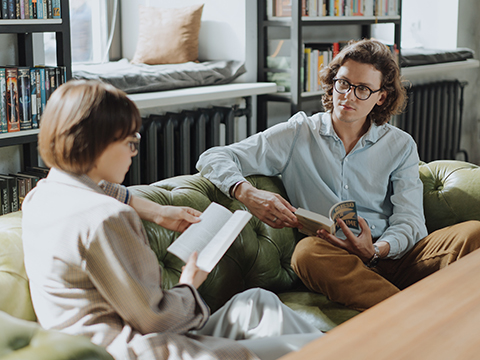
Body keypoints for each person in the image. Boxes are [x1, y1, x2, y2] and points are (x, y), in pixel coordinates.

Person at [21, 80, 322, 360]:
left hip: (122, 336)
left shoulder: (41, 196)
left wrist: (158, 211)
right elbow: (155, 317)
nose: (133, 153)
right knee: (309, 348)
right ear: (95, 144)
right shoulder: (106, 220)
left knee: (258, 302)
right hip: (133, 349)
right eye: (129, 142)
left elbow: (105, 189)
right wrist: (190, 283)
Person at [196, 39, 480, 312]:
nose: (348, 96)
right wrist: (247, 193)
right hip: (336, 261)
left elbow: (411, 221)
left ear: (381, 96)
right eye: (343, 83)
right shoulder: (298, 133)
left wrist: (376, 250)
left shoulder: (400, 144)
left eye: (363, 89)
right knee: (306, 253)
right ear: (332, 84)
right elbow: (213, 156)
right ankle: (411, 315)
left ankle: (395, 305)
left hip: (395, 256)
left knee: (472, 233)